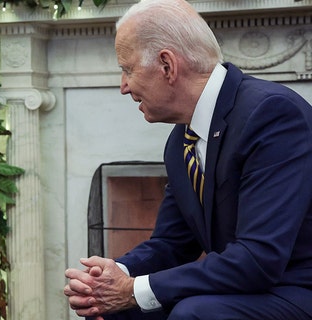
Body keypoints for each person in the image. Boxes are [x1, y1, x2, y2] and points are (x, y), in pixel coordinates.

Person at [63, 0, 312, 319]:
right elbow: (172, 243)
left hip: (294, 289)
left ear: (167, 65)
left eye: (128, 69)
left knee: (194, 312)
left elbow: (258, 258)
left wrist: (132, 290)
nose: (124, 87)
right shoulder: (182, 140)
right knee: (115, 311)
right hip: (245, 290)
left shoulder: (272, 115)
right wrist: (115, 274)